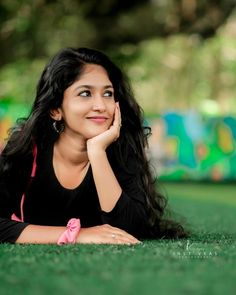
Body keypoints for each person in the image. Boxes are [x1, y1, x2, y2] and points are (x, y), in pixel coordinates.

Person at [0, 47, 188, 245]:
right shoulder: (28, 149)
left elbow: (128, 230)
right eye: (85, 93)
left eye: (107, 94)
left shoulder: (122, 148)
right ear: (56, 109)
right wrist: (77, 235)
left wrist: (97, 152)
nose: (100, 105)